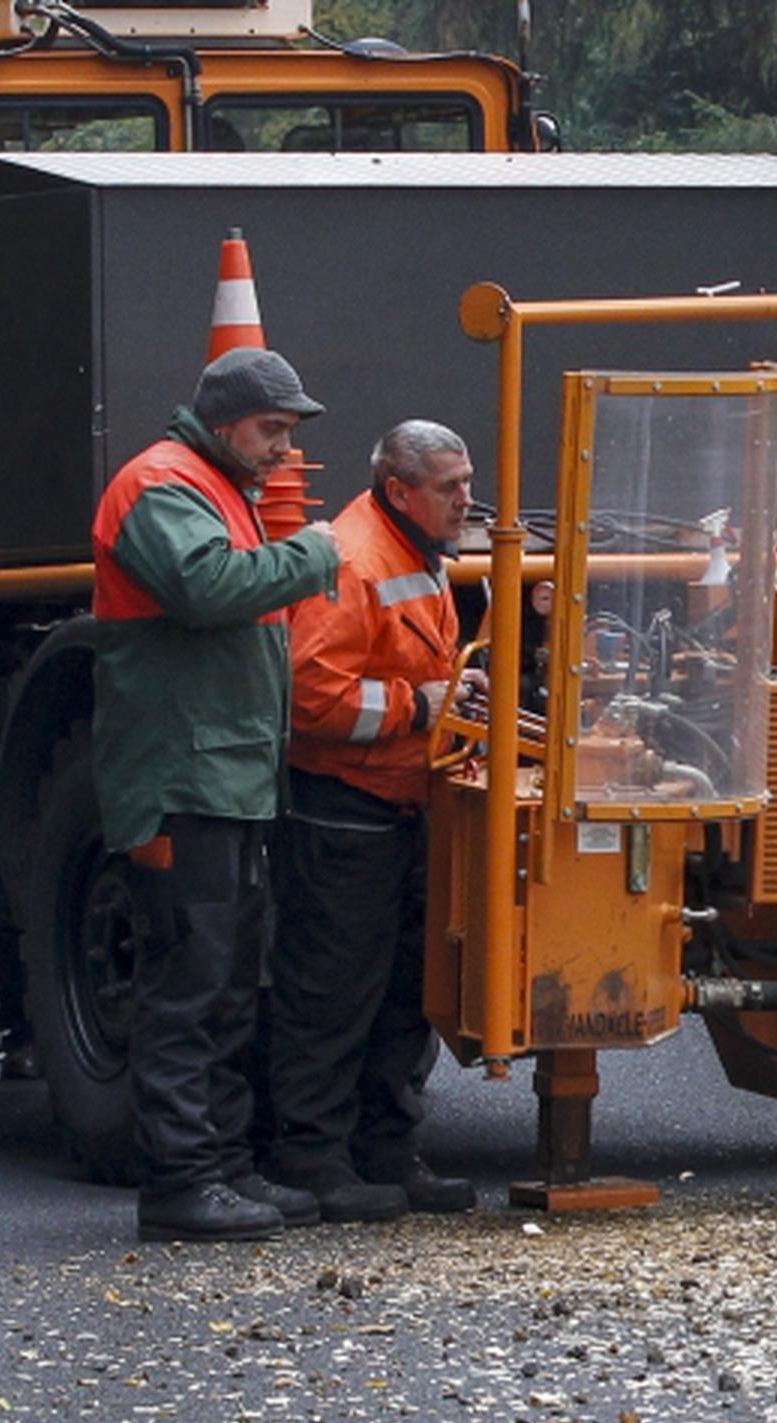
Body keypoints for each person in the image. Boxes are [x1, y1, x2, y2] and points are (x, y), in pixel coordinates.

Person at [89, 349, 341, 1242]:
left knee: (228, 980)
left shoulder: (211, 488)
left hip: (220, 779)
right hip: (181, 781)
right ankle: (181, 1180)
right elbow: (206, 591)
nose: (283, 451)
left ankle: (224, 1166)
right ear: (228, 421)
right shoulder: (160, 485)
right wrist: (312, 554)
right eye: (273, 431)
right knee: (189, 984)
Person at [266, 419, 487, 1223]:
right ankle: (314, 1158)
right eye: (450, 486)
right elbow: (311, 698)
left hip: (397, 805)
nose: (467, 499)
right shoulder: (356, 559)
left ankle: (385, 1153)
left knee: (401, 990)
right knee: (330, 993)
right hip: (347, 810)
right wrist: (415, 707)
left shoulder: (411, 553)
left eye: (466, 481)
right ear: (400, 491)